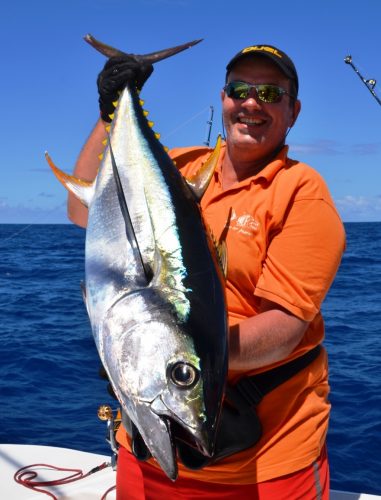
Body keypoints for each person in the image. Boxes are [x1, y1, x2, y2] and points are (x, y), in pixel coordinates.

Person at [68, 43, 346, 499]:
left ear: (293, 111)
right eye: (240, 90)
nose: (252, 102)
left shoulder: (302, 193)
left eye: (270, 94)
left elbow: (284, 328)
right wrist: (110, 108)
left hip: (264, 465)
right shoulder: (184, 165)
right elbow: (84, 216)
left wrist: (175, 366)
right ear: (223, 99)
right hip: (147, 440)